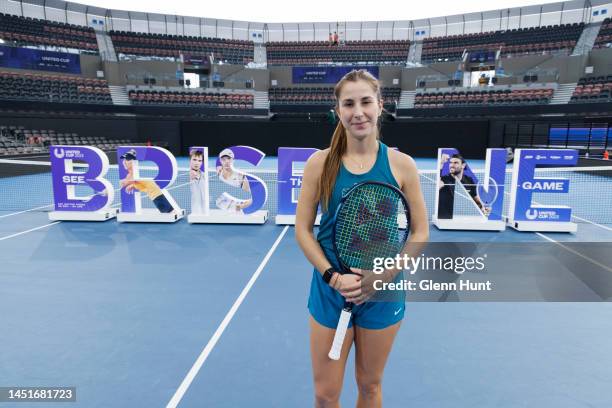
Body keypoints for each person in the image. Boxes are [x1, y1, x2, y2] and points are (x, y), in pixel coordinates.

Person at [295, 69, 429, 407]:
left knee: (370, 387)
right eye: (349, 103)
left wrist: (384, 276)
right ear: (337, 110)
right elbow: (302, 230)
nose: (358, 112)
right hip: (330, 292)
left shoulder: (402, 165)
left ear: (380, 105)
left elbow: (420, 232)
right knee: (325, 396)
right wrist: (334, 277)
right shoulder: (319, 164)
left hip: (383, 294)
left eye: (366, 102)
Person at [119, 149, 176, 214]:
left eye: (127, 160)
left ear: (133, 161)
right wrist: (132, 185)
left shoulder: (132, 175)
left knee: (169, 214)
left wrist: (107, 189)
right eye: (124, 160)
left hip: (157, 197)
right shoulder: (131, 175)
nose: (124, 162)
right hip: (155, 196)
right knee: (169, 213)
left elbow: (123, 183)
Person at [437, 153, 488, 219]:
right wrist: (441, 163)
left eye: (456, 163)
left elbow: (475, 197)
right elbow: (437, 179)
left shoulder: (469, 180)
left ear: (463, 165)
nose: (452, 165)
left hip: (463, 216)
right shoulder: (444, 179)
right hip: (445, 217)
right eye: (450, 162)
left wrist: (483, 206)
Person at [215, 148, 252, 213]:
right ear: (220, 161)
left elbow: (250, 196)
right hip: (222, 203)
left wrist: (241, 206)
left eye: (229, 158)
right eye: (223, 159)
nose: (226, 161)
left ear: (233, 160)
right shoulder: (218, 172)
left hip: (236, 206)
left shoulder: (241, 177)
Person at [189, 149, 208, 214]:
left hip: (204, 205)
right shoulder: (191, 173)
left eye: (199, 161)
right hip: (196, 208)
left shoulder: (202, 173)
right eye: (194, 160)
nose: (197, 163)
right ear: (190, 160)